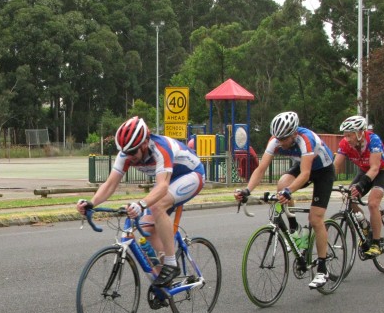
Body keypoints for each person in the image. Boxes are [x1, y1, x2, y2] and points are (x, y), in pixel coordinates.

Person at [76, 116, 205, 286]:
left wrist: (141, 204)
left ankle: (171, 263)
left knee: (157, 206)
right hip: (168, 179)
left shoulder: (160, 148)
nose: (129, 156)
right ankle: (164, 281)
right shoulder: (127, 153)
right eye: (125, 152)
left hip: (191, 175)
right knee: (146, 227)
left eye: (132, 152)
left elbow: (162, 186)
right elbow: (110, 184)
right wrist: (91, 203)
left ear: (144, 143)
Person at [233, 111, 336, 289]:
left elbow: (305, 174)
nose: (280, 142)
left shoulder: (306, 139)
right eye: (278, 138)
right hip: (303, 166)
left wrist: (289, 191)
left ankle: (322, 268)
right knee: (281, 184)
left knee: (315, 218)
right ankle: (294, 228)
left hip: (323, 171)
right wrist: (247, 190)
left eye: (284, 139)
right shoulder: (275, 140)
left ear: (294, 134)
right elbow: (261, 169)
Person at [332, 115, 384, 257]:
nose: (347, 139)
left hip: (381, 171)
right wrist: (326, 181)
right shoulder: (345, 144)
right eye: (345, 135)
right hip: (364, 171)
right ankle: (365, 226)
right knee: (349, 197)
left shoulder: (373, 140)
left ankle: (376, 244)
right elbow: (335, 166)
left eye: (350, 135)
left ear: (359, 133)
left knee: (373, 204)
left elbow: (375, 168)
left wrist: (360, 185)